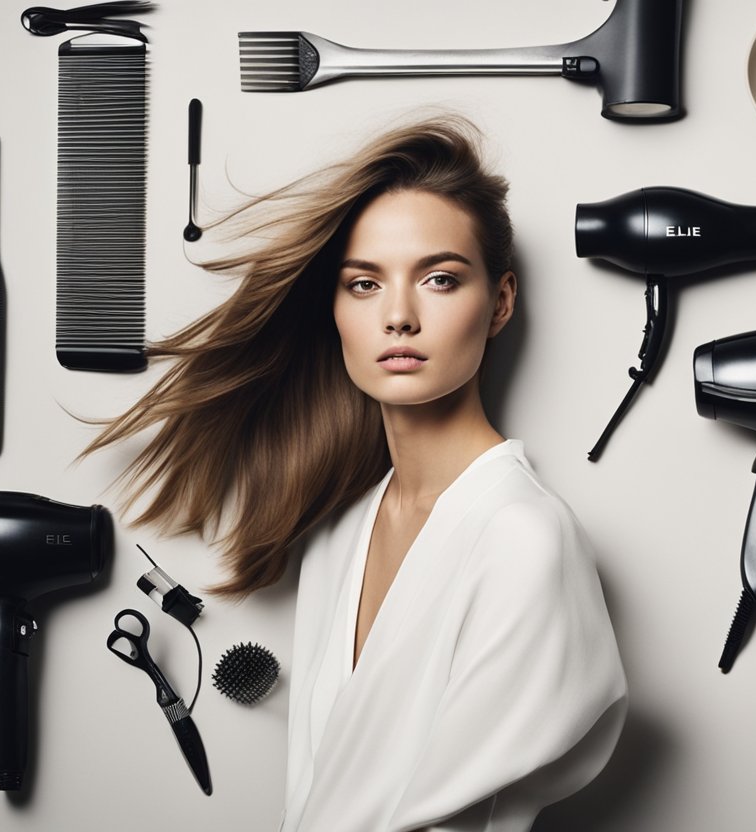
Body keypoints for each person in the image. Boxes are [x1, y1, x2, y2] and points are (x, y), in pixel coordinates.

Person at [85, 115, 628, 831]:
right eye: (365, 284)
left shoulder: (526, 540)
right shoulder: (341, 531)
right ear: (335, 308)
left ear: (499, 303)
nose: (398, 316)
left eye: (439, 279)